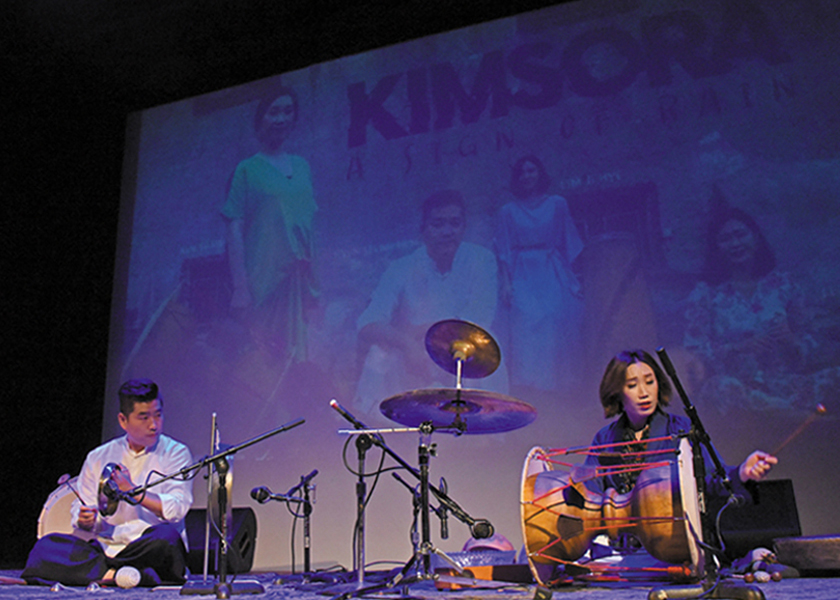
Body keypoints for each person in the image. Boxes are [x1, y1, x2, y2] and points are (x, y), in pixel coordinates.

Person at [23, 379, 194, 587]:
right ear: (123, 420)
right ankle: (119, 576)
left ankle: (107, 574)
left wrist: (133, 492)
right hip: (106, 548)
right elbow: (85, 506)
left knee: (167, 538)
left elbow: (178, 508)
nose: (154, 424)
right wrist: (85, 519)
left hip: (149, 546)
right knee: (46, 547)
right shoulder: (98, 456)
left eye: (158, 415)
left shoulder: (176, 453)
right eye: (144, 417)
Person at [354, 190, 506, 413]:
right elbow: (368, 322)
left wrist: (419, 332)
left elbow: (476, 320)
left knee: (479, 355)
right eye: (437, 224)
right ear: (423, 230)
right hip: (414, 354)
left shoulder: (482, 260)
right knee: (380, 352)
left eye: (455, 223)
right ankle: (386, 424)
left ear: (464, 227)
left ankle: (478, 434)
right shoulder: (401, 267)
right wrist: (407, 344)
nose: (447, 232)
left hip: (468, 351)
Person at [683, 205, 840, 413]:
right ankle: (792, 414)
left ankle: (788, 411)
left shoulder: (784, 286)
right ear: (717, 248)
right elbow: (693, 356)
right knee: (720, 388)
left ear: (755, 238)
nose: (735, 243)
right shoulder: (704, 295)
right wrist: (738, 348)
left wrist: (792, 341)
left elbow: (813, 340)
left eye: (740, 235)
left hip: (786, 384)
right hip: (739, 389)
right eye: (726, 239)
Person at [585, 349, 777, 500]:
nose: (644, 392)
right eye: (632, 385)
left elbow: (712, 479)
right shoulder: (605, 438)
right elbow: (591, 492)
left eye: (650, 382)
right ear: (617, 392)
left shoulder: (681, 429)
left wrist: (742, 472)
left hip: (672, 539)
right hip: (623, 542)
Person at [221, 85, 319, 362]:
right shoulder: (247, 170)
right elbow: (234, 227)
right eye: (274, 112)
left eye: (288, 111)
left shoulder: (302, 167)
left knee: (295, 360)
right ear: (261, 118)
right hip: (262, 280)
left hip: (296, 283)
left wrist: (313, 286)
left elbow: (308, 227)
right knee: (262, 358)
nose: (281, 118)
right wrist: (241, 288)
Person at [494, 155, 584, 394]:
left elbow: (569, 240)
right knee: (526, 323)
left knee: (555, 319)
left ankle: (559, 384)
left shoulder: (557, 203)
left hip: (551, 267)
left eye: (531, 171)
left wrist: (572, 275)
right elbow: (503, 248)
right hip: (522, 270)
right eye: (522, 172)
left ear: (539, 173)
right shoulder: (508, 211)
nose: (527, 176)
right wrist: (505, 282)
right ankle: (530, 384)